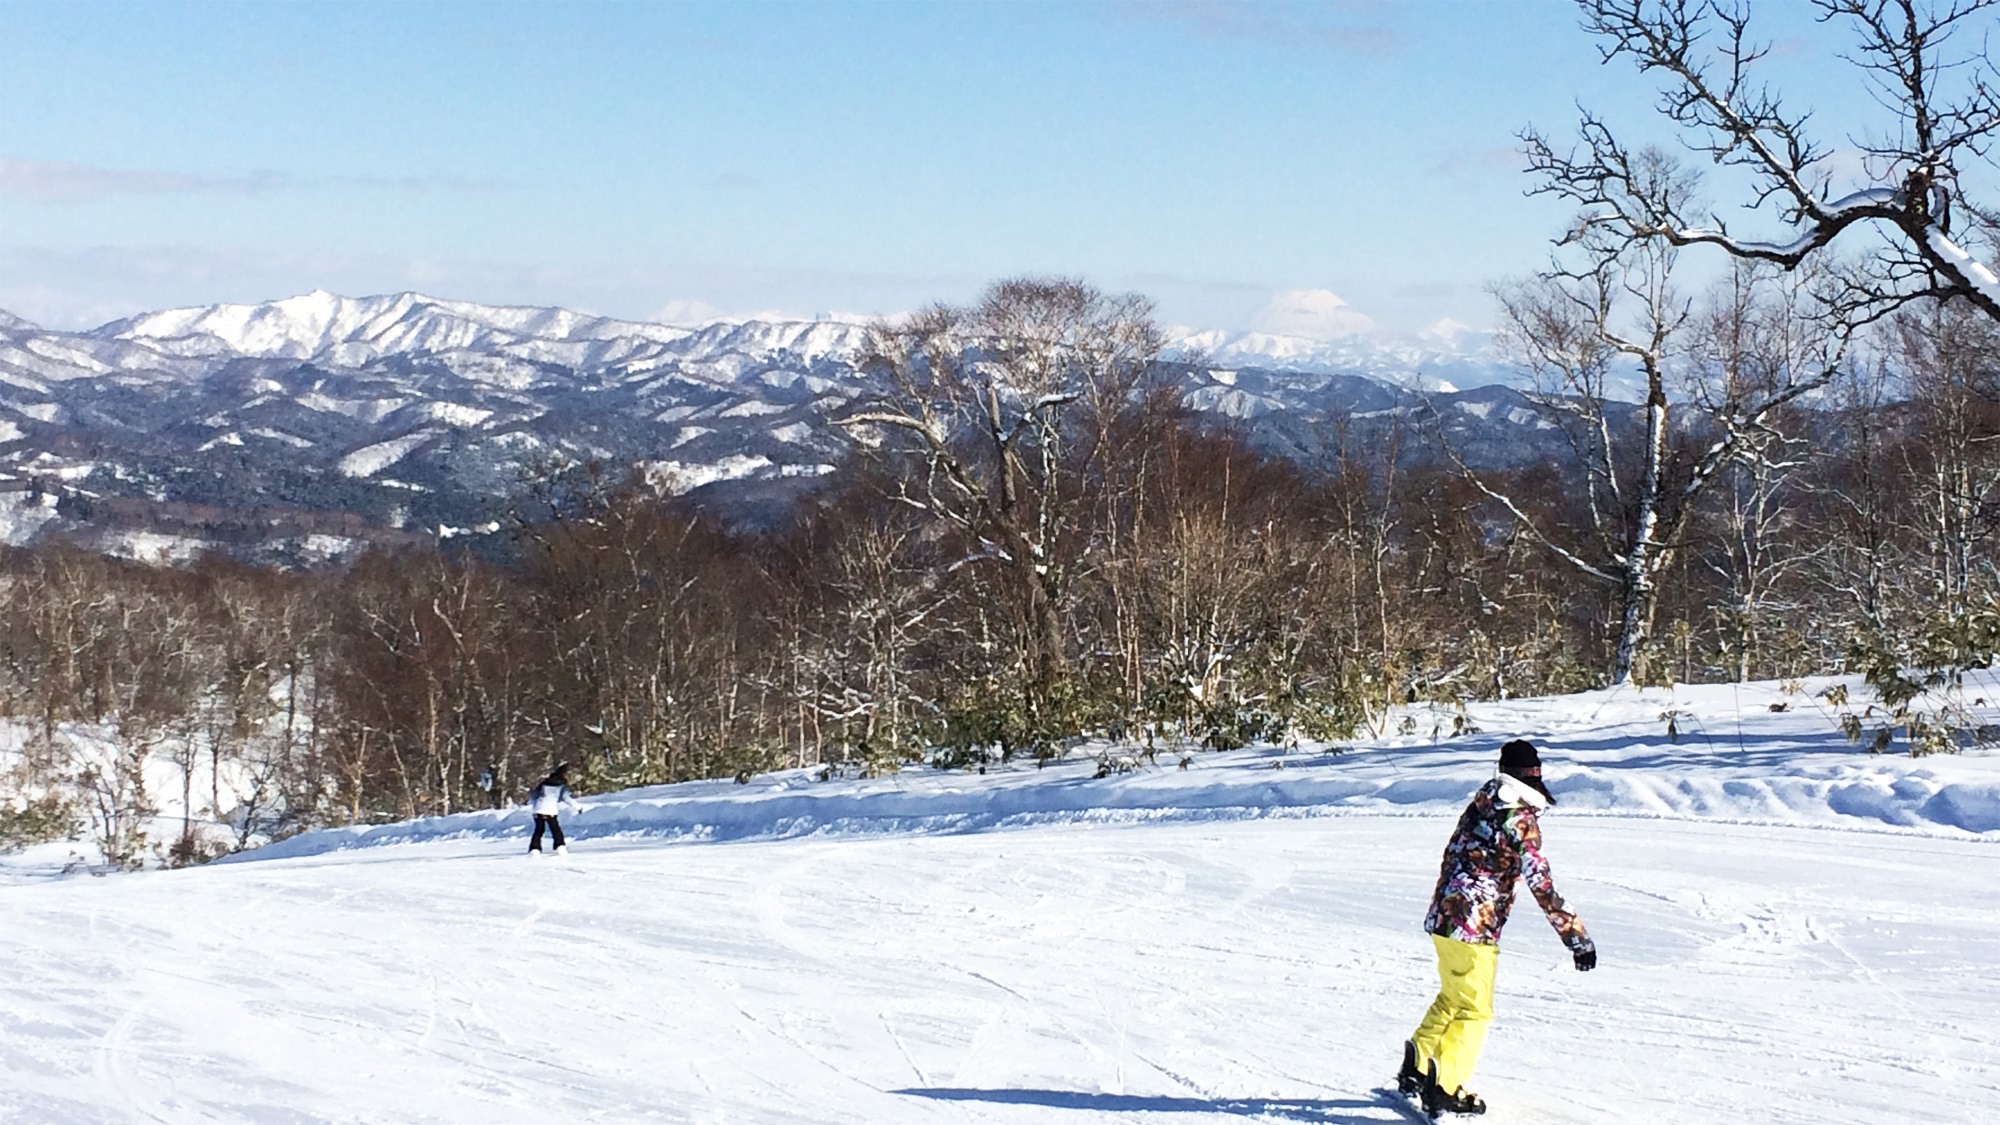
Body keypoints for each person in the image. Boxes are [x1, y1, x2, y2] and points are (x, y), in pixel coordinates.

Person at [1397, 739, 1595, 1117]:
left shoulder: (1481, 804)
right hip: (1475, 927)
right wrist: (1576, 937)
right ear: (1533, 777)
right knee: (1475, 1010)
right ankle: (1445, 1088)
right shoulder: (1519, 819)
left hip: (1445, 917)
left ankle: (1418, 1065)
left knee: (1454, 997)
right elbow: (1541, 883)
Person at [527, 764, 580, 855]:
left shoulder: (544, 784)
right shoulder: (561, 785)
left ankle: (534, 848)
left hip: (538, 808)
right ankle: (560, 846)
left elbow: (534, 795)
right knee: (555, 828)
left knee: (539, 829)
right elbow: (566, 798)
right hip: (550, 809)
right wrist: (578, 807)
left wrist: (529, 802)